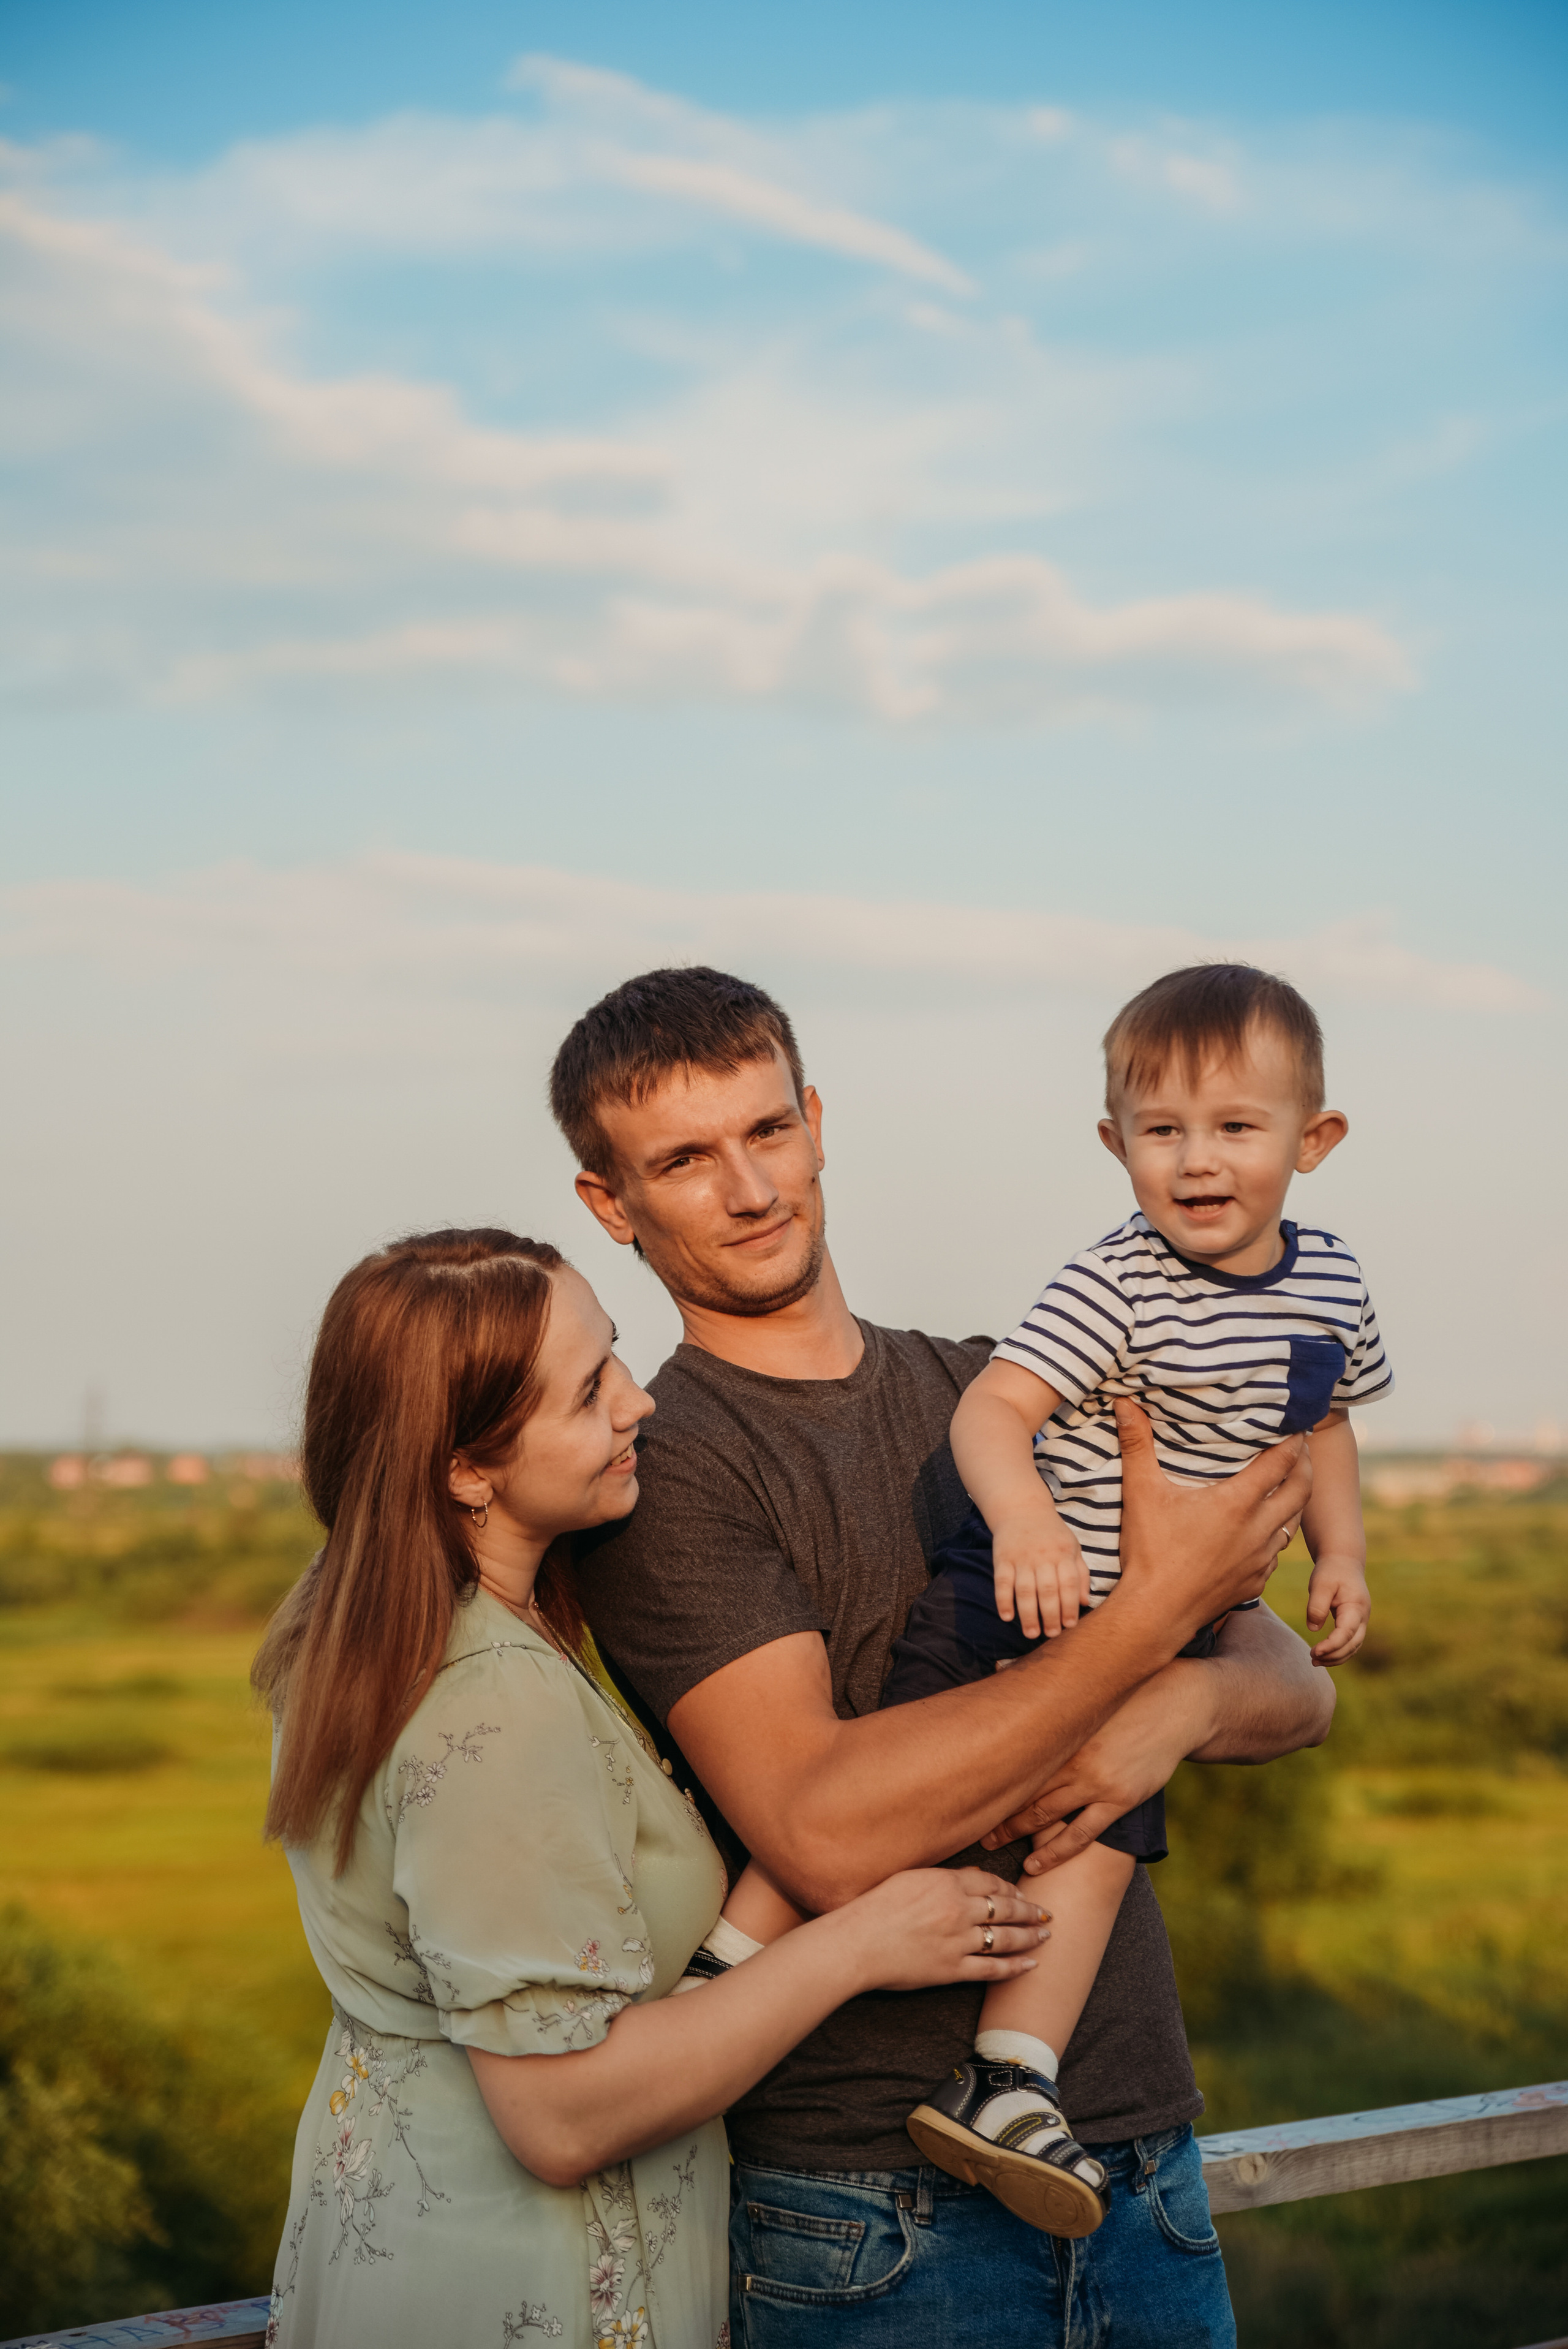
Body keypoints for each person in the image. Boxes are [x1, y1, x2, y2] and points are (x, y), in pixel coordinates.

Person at [555, 966, 1333, 2349]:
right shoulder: (664, 1471)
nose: (748, 1190)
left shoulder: (989, 1384)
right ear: (609, 1204)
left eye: (766, 1133)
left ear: (813, 1119)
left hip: (1133, 2159)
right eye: (683, 1160)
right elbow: (825, 1830)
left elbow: (1292, 1685)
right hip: (865, 2211)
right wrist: (1150, 1630)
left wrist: (1184, 1700)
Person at [253, 1227, 1046, 2349]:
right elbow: (563, 2114)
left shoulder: (386, 1623)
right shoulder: (489, 1695)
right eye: (588, 1395)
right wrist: (865, 1940)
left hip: (413, 2240)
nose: (639, 1404)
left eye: (615, 1358)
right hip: (529, 2290)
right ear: (467, 1468)